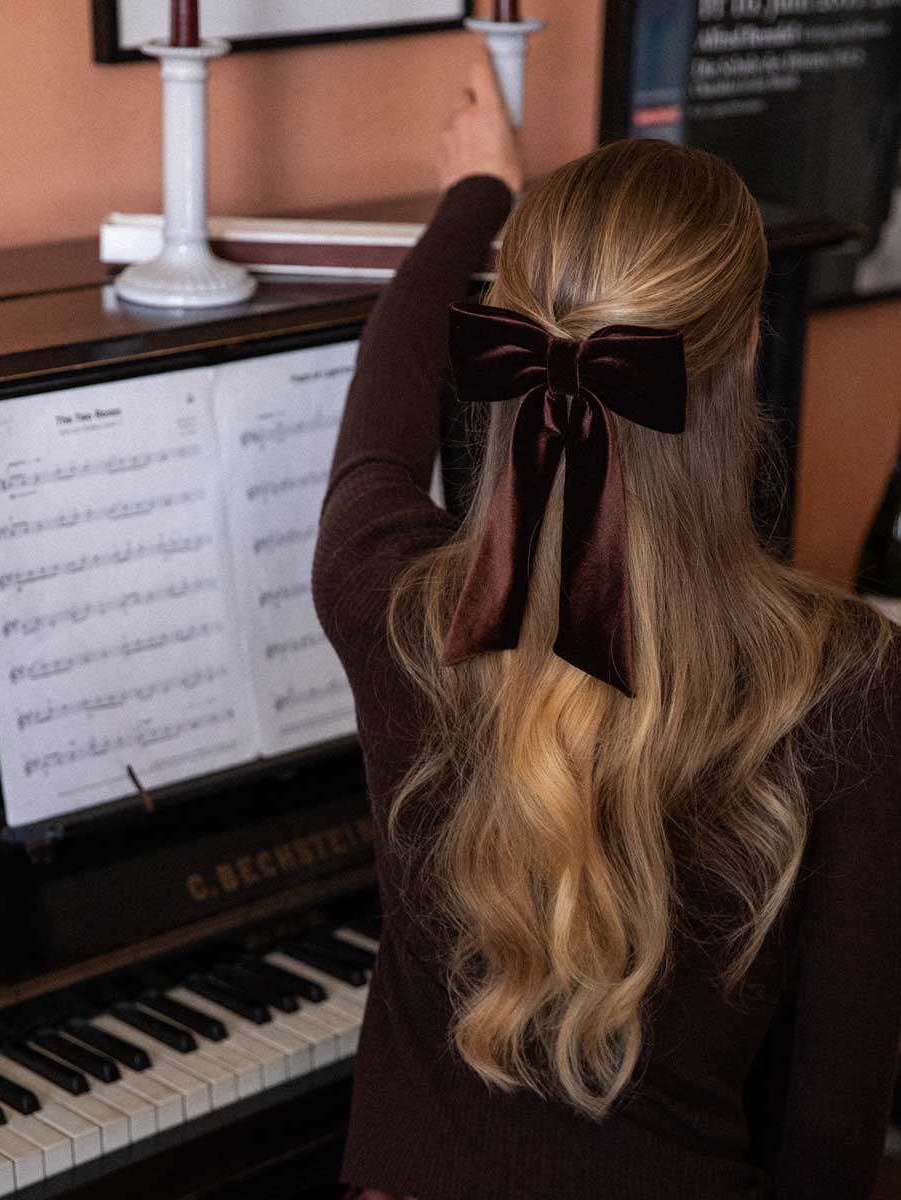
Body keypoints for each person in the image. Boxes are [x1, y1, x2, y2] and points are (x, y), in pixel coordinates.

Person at [312, 54, 901, 1200]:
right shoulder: (849, 680)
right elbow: (835, 1113)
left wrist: (476, 193)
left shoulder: (387, 597)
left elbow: (379, 409)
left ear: (506, 339)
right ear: (741, 359)